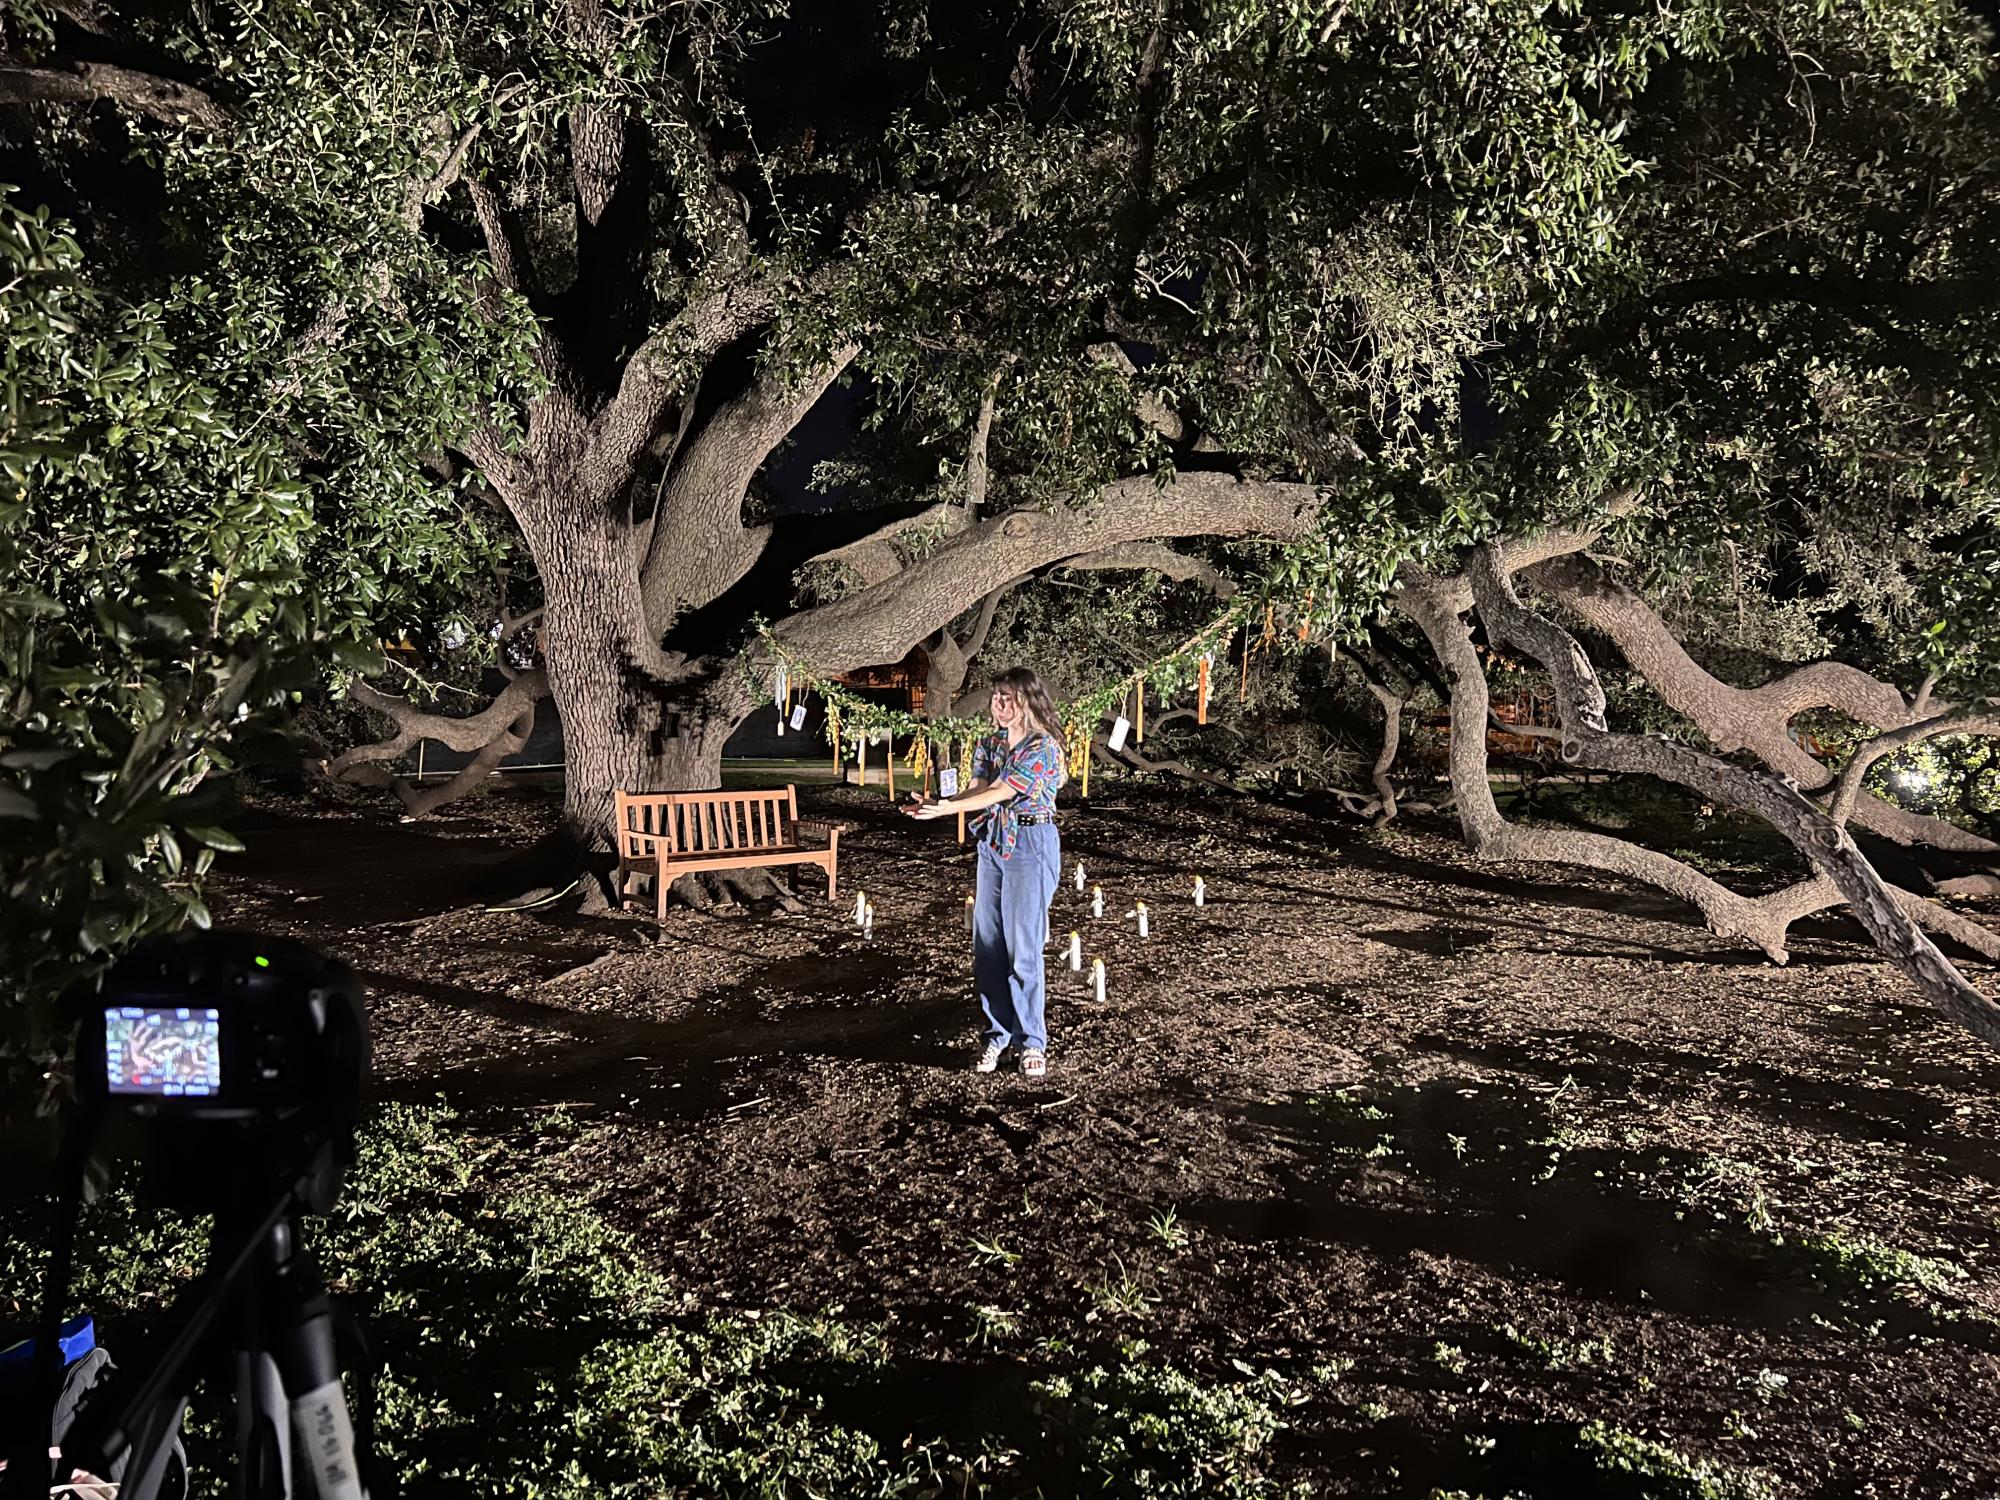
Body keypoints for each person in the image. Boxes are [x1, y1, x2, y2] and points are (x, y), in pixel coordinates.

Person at [906, 667, 1067, 1077]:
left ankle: (1032, 1041)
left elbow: (1003, 791)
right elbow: (980, 789)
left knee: (1023, 948)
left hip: (1031, 845)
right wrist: (940, 803)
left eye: (1008, 696)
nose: (999, 703)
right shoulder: (990, 742)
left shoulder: (1042, 747)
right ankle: (997, 1035)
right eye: (996, 695)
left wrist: (946, 809)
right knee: (988, 945)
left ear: (1028, 701)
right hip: (994, 844)